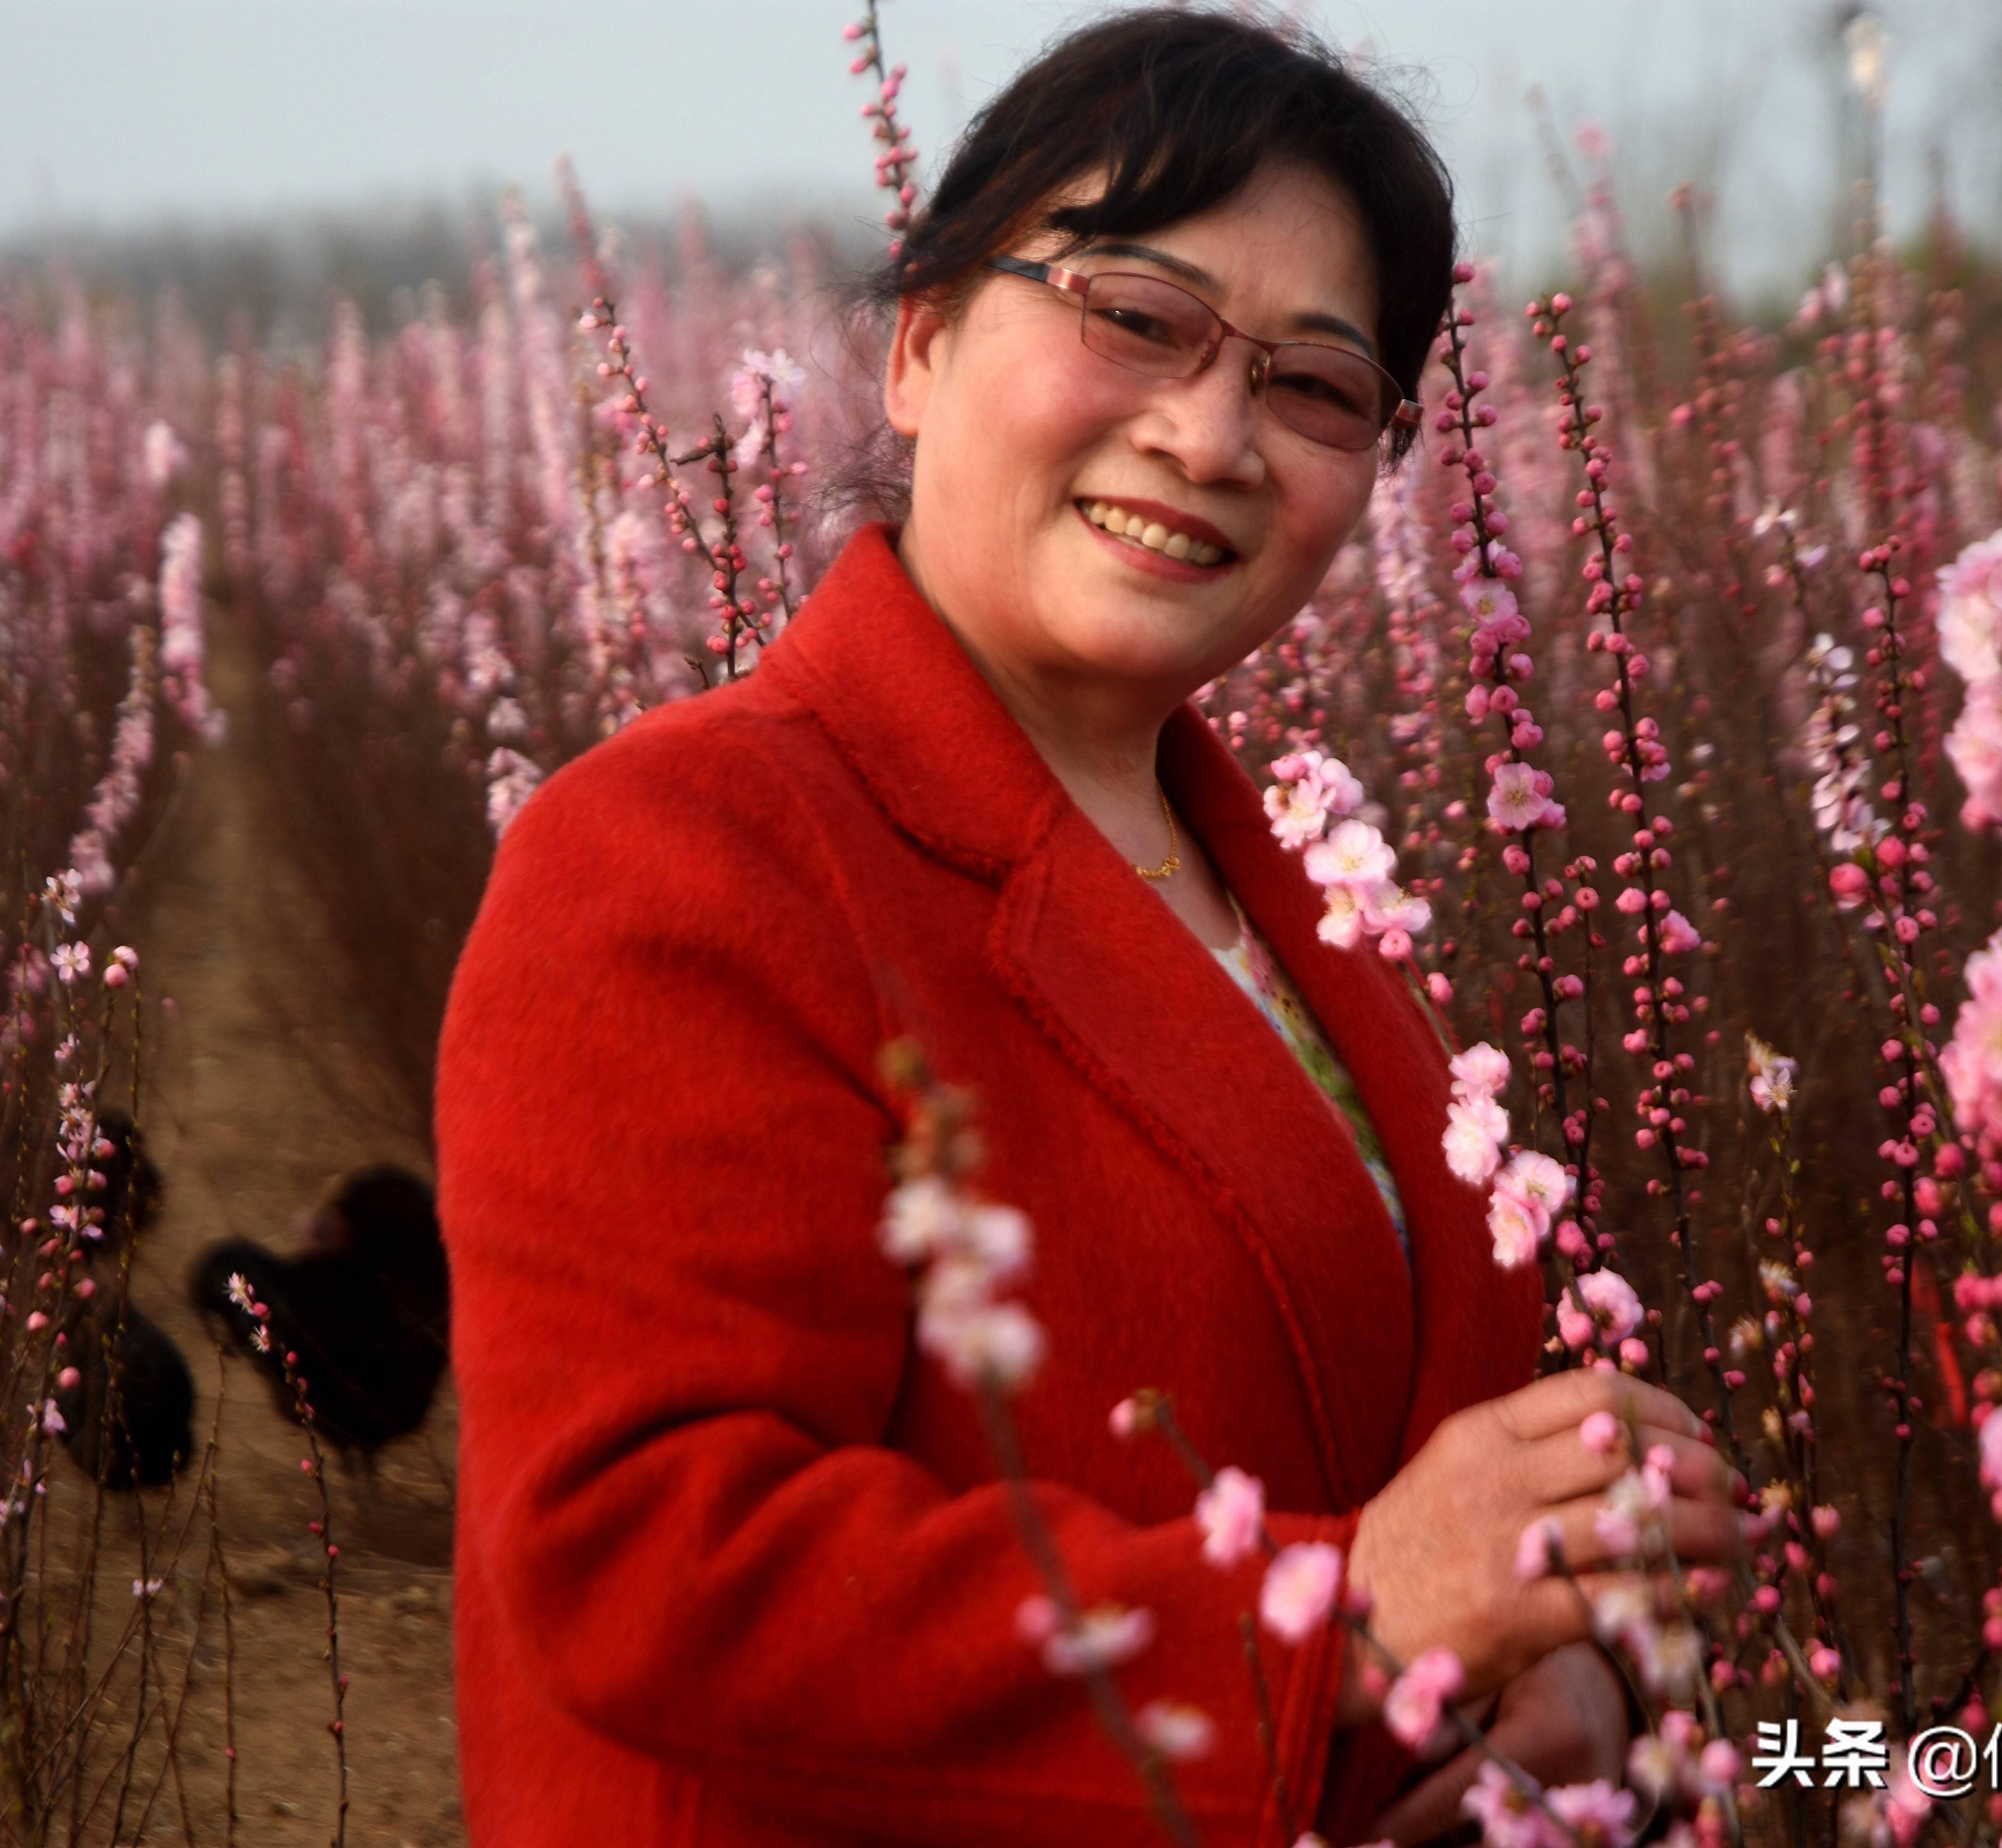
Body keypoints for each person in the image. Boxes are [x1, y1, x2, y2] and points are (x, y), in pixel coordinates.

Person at [434, 10, 1745, 1843]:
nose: (1211, 433)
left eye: (1313, 386)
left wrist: (1553, 1649)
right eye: (1136, 316)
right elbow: (653, 1561)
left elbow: (1412, 1468)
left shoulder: (1294, 891)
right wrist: (1348, 1618)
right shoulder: (681, 853)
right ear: (917, 342)